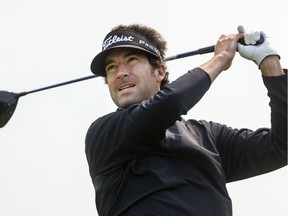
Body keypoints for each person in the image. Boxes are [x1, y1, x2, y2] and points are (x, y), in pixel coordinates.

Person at [85, 24, 287, 216]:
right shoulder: (104, 133)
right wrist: (221, 58)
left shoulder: (207, 136)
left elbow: (281, 146)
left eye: (131, 60)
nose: (121, 73)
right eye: (111, 67)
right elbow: (168, 105)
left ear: (160, 71)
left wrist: (269, 62)